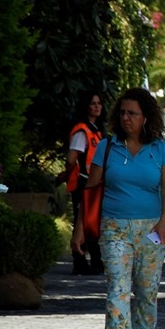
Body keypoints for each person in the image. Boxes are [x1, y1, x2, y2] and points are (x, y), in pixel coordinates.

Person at [72, 88, 165, 329]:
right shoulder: (107, 147)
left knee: (146, 289)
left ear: (146, 117)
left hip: (151, 229)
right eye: (122, 113)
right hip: (114, 227)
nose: (126, 118)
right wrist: (79, 229)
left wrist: (164, 221)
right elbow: (90, 190)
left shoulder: (160, 149)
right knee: (118, 285)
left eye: (132, 113)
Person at [66, 91, 106, 275]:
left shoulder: (97, 130)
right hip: (83, 181)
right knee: (82, 220)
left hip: (96, 181)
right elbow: (71, 158)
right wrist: (67, 174)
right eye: (93, 103)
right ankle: (80, 261)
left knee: (94, 221)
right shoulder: (82, 130)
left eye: (99, 103)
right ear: (85, 106)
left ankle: (96, 261)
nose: (97, 106)